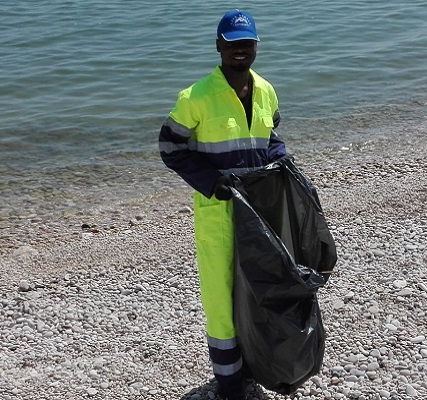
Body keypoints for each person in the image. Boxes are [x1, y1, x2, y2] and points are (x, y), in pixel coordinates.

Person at [158, 9, 287, 400]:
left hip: (259, 213)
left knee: (255, 288)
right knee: (220, 297)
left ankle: (253, 368)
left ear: (256, 48)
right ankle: (229, 385)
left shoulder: (266, 90)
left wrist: (284, 167)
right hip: (218, 214)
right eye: (232, 43)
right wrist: (212, 182)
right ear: (219, 46)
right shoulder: (195, 97)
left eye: (246, 43)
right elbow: (170, 147)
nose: (239, 50)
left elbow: (272, 139)